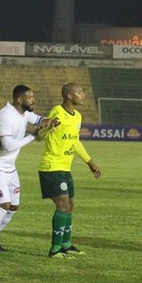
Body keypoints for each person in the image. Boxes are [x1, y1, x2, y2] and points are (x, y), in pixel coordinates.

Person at [0, 85, 56, 257]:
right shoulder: (6, 115)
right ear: (19, 100)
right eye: (30, 97)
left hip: (9, 167)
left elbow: (38, 119)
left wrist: (47, 121)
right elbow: (8, 145)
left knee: (13, 206)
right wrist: (32, 136)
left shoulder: (24, 113)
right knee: (4, 204)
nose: (33, 100)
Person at [38, 83, 101, 259]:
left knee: (70, 205)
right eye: (79, 92)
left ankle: (66, 244)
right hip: (52, 166)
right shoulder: (57, 112)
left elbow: (75, 141)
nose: (83, 94)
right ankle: (55, 249)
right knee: (63, 205)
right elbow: (39, 137)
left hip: (65, 167)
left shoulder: (77, 116)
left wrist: (90, 162)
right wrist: (48, 127)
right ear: (69, 96)